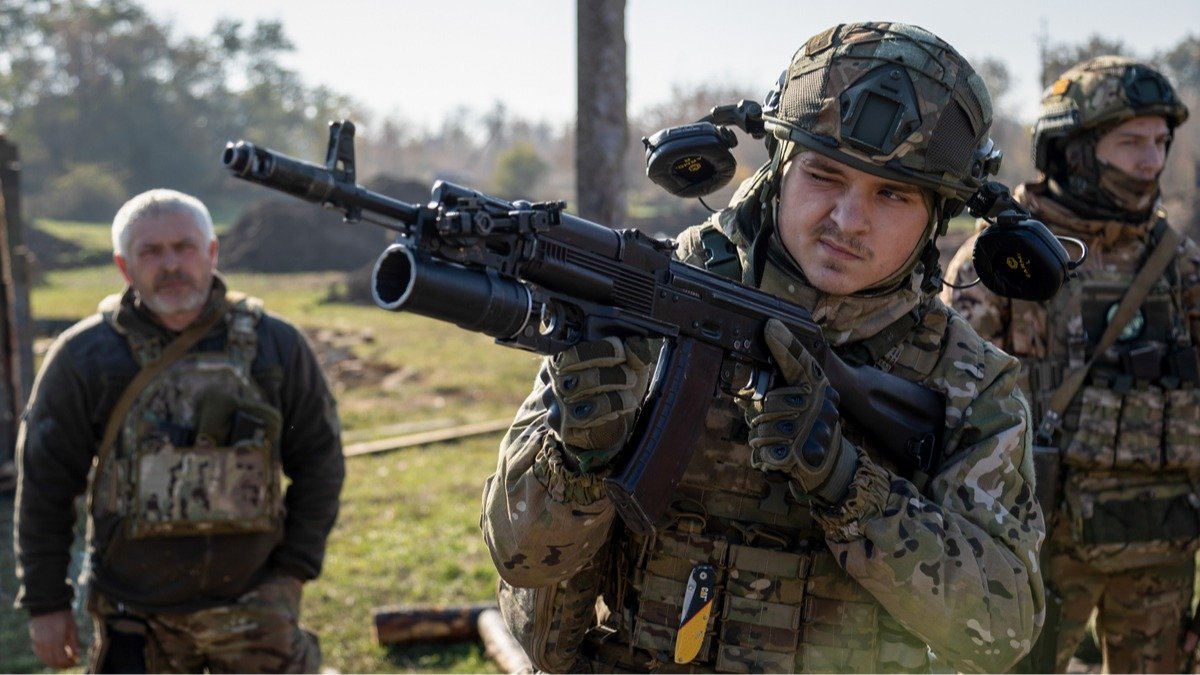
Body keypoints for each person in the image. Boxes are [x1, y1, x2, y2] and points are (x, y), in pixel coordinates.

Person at [482, 22, 1043, 674]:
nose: (849, 219)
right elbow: (519, 563)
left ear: (939, 216)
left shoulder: (967, 384)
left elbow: (1003, 631)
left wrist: (849, 487)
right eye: (825, 175)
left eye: (893, 194)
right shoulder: (643, 302)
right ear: (779, 169)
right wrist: (577, 459)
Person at [13, 188, 345, 673]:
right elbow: (44, 484)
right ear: (124, 266)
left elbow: (320, 461)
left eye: (184, 247)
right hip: (134, 614)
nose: (170, 264)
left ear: (211, 252)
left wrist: (293, 572)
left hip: (254, 605)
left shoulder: (276, 346)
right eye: (150, 252)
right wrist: (46, 604)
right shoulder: (85, 357)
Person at [942, 56, 1197, 673]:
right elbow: (942, 414)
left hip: (1159, 552)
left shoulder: (1181, 267)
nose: (1151, 162)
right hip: (1038, 557)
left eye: (1161, 143)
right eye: (1131, 142)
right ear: (1074, 151)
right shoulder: (1004, 258)